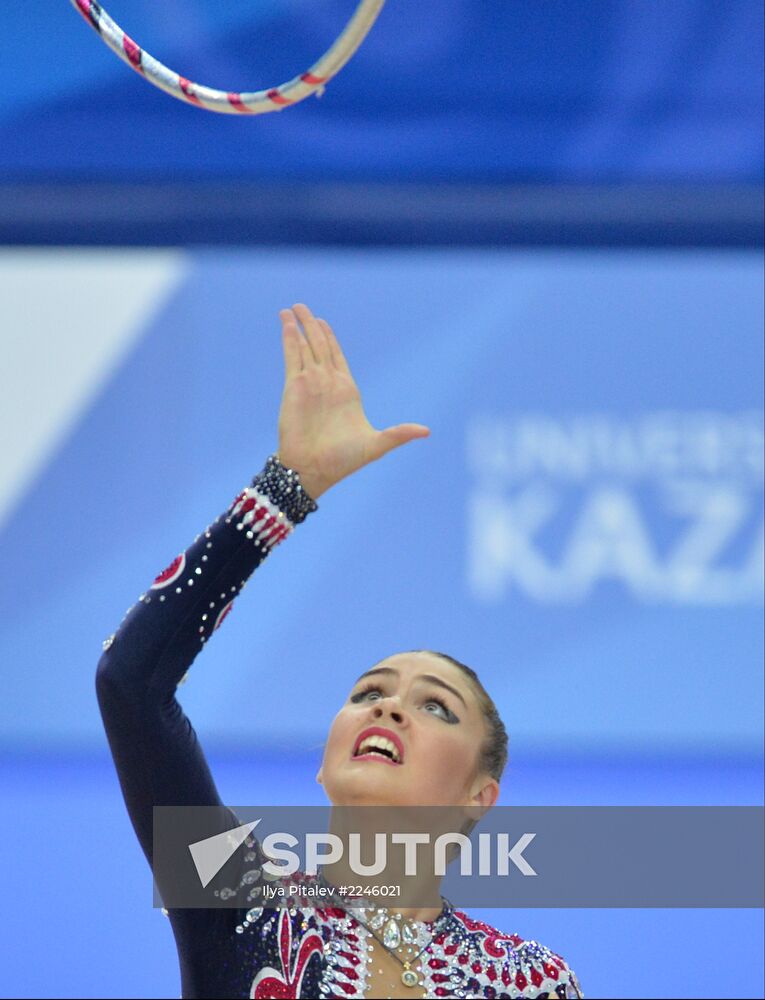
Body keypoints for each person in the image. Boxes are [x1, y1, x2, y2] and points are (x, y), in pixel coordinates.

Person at [96, 303, 583, 999]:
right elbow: (131, 682)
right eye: (367, 694)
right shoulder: (244, 905)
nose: (388, 707)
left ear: (481, 794)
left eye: (436, 708)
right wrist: (287, 488)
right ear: (323, 765)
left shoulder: (530, 980)